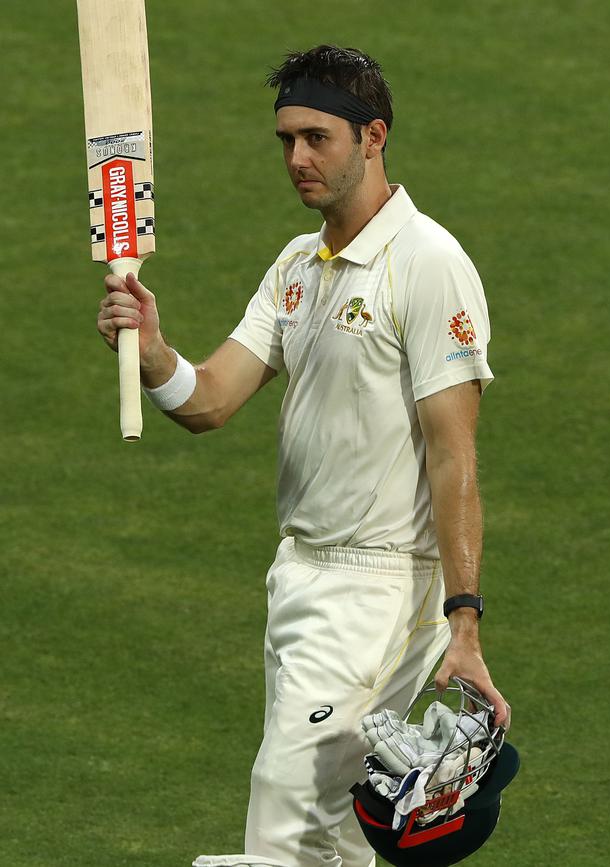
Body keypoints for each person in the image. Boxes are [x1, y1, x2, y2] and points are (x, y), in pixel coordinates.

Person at [97, 44, 510, 867]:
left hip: (380, 592)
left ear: (374, 136)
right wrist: (152, 352)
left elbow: (453, 456)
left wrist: (464, 621)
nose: (297, 158)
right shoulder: (298, 268)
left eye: (318, 137)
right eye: (286, 138)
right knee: (337, 838)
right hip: (300, 579)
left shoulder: (427, 265)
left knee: (283, 820)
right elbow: (210, 399)